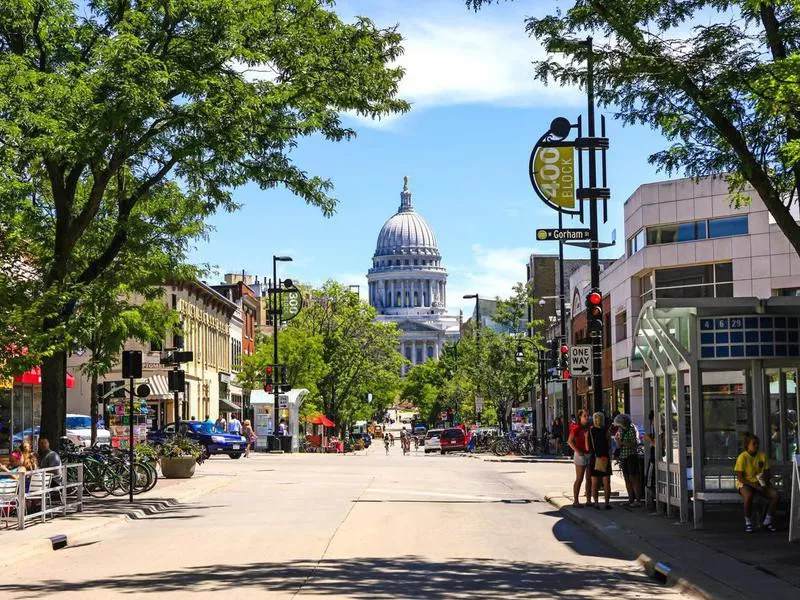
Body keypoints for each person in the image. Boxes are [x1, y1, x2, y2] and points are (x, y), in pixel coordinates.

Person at [735, 433, 779, 533]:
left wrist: (764, 480)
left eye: (757, 443)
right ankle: (748, 521)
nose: (756, 446)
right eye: (753, 444)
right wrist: (754, 485)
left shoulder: (762, 456)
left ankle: (767, 521)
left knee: (775, 495)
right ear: (747, 445)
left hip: (760, 483)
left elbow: (767, 472)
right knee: (748, 495)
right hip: (746, 483)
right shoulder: (742, 457)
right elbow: (740, 477)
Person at [615, 414, 643, 506]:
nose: (618, 426)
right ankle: (630, 499)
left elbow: (634, 443)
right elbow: (619, 445)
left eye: (619, 424)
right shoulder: (621, 430)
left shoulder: (631, 429)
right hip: (624, 456)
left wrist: (621, 442)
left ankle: (638, 500)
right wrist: (618, 442)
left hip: (631, 455)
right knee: (627, 478)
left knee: (634, 478)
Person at [567, 409, 592, 507]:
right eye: (584, 416)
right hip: (580, 455)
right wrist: (578, 451)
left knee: (589, 478)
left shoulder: (589, 427)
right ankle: (576, 500)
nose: (587, 418)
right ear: (580, 417)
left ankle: (589, 500)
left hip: (589, 453)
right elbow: (570, 441)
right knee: (580, 478)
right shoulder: (576, 428)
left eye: (587, 415)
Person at [589, 412, 613, 510]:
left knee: (594, 482)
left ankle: (596, 503)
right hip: (605, 457)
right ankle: (607, 503)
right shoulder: (607, 431)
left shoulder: (590, 431)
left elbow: (588, 446)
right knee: (606, 482)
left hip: (595, 457)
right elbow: (610, 446)